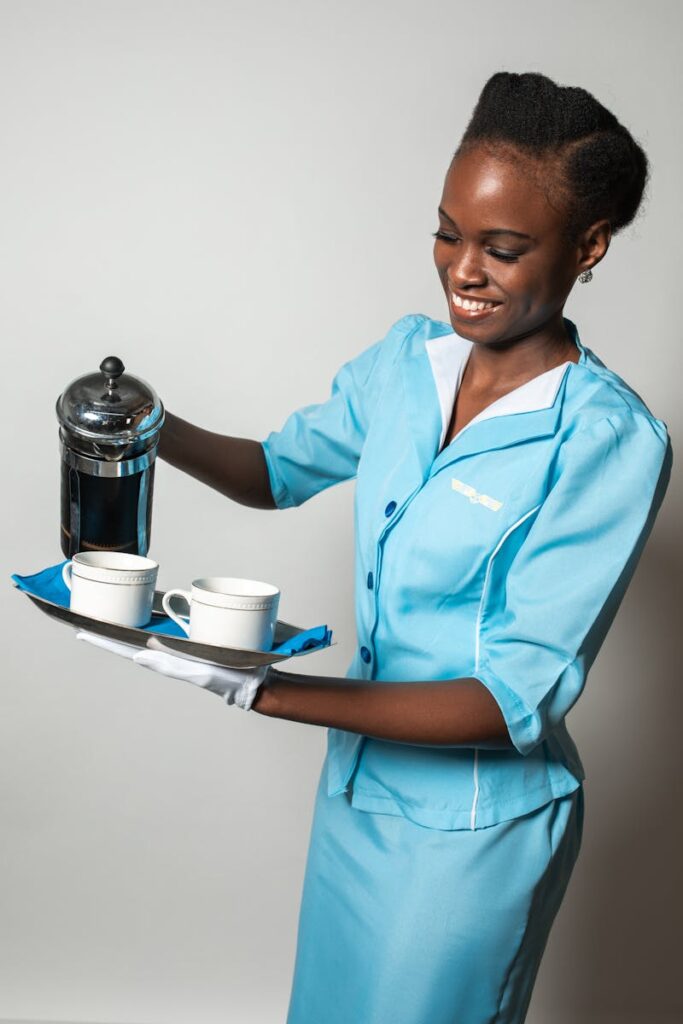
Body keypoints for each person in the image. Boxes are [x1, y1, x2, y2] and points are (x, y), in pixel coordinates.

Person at [78, 71, 672, 1023]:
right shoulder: (405, 362)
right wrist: (147, 424)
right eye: (447, 231)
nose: (462, 269)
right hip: (356, 792)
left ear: (588, 247)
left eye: (503, 248)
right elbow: (277, 470)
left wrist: (261, 687)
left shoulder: (603, 441)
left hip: (473, 836)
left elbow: (509, 698)